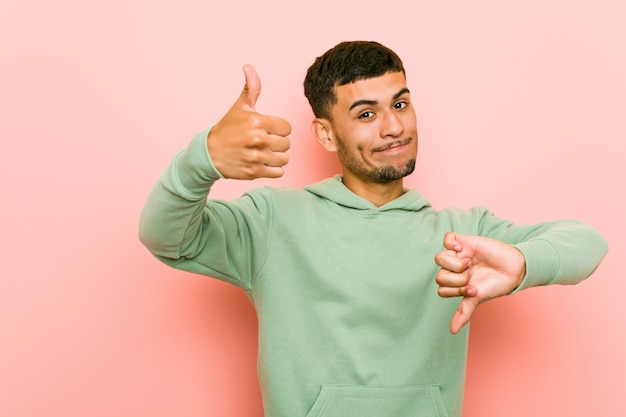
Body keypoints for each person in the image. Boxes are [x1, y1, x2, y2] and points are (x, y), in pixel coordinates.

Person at [139, 41, 608, 417]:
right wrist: (202, 160)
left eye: (400, 103)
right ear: (325, 134)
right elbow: (164, 236)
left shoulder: (463, 234)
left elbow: (589, 242)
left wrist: (525, 262)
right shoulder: (271, 222)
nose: (393, 127)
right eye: (366, 114)